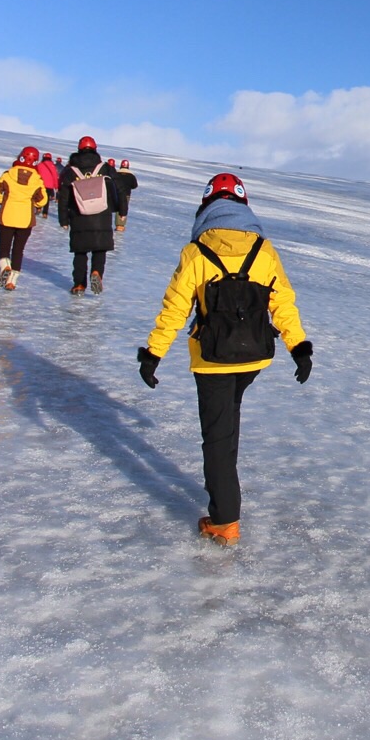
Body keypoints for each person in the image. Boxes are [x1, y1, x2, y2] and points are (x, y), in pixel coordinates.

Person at [137, 172, 313, 544]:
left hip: (212, 360)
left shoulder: (195, 252)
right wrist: (298, 347)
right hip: (252, 358)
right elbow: (283, 303)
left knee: (216, 437)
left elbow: (175, 309)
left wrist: (154, 353)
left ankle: (224, 520)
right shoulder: (264, 251)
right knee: (227, 424)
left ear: (207, 207)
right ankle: (226, 502)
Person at [59, 136, 124, 295]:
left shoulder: (70, 170)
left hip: (79, 215)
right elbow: (120, 189)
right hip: (102, 215)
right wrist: (122, 211)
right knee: (99, 249)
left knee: (80, 252)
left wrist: (63, 219)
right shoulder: (105, 168)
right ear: (95, 149)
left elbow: (63, 197)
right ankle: (96, 272)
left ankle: (79, 285)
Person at [0, 146, 49, 289]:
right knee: (18, 250)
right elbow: (43, 200)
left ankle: (5, 267)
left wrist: (3, 202)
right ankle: (12, 281)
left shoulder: (8, 174)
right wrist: (32, 203)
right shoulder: (37, 179)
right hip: (25, 220)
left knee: (4, 248)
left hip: (7, 216)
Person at [34, 150, 62, 220]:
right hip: (50, 186)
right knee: (46, 200)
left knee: (39, 197)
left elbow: (36, 174)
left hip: (41, 184)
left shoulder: (40, 165)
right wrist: (56, 186)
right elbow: (55, 177)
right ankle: (45, 213)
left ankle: (38, 208)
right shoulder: (53, 166)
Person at [111, 158, 137, 232]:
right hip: (126, 195)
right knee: (123, 208)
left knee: (117, 208)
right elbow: (134, 185)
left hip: (116, 193)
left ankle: (117, 224)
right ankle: (120, 225)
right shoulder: (131, 176)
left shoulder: (117, 174)